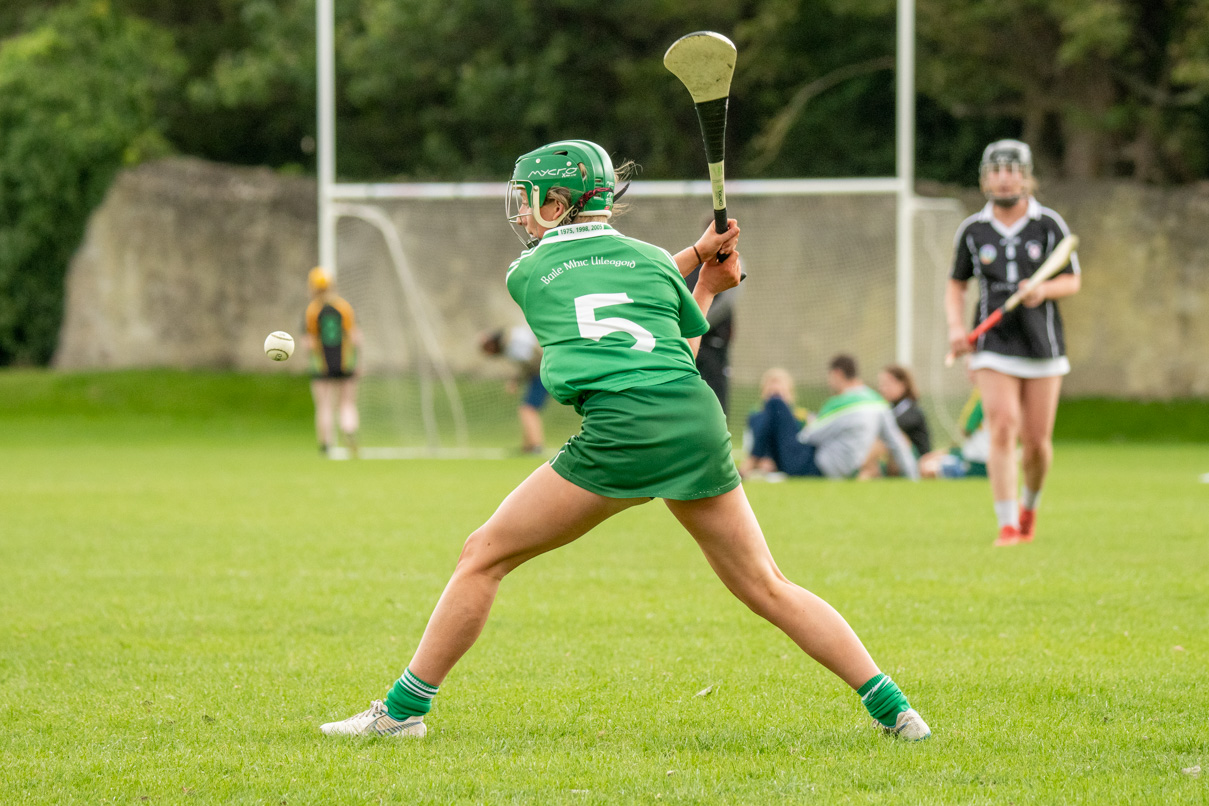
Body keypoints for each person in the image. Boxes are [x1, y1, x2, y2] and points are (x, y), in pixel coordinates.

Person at [319, 139, 929, 741]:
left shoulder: (528, 272)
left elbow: (595, 274)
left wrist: (697, 260)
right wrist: (708, 280)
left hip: (620, 434)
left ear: (557, 206)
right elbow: (675, 352)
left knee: (483, 556)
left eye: (529, 202)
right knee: (768, 584)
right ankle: (897, 711)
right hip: (694, 422)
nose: (521, 215)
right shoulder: (655, 263)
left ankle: (401, 713)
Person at [946, 139, 1081, 546]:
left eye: (1012, 171)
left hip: (1043, 344)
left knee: (1037, 444)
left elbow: (1072, 279)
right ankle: (1006, 524)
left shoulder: (1049, 224)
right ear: (986, 179)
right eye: (996, 172)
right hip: (993, 341)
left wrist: (1044, 291)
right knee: (1002, 426)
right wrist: (956, 328)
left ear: (1026, 177)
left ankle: (1029, 507)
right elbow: (956, 285)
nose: (1004, 180)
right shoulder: (973, 230)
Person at [741, 355, 919, 481]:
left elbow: (808, 436)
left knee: (775, 403)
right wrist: (913, 478)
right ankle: (762, 462)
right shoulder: (878, 403)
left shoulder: (841, 403)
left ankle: (751, 463)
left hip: (815, 468)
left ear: (837, 375)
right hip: (841, 471)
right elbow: (896, 443)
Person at [683, 215, 743, 415]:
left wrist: (698, 321)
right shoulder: (691, 264)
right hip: (689, 343)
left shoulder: (733, 262)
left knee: (716, 406)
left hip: (714, 346)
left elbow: (727, 302)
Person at [304, 267, 361, 457]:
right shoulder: (344, 307)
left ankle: (326, 445)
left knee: (324, 405)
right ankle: (349, 428)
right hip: (345, 363)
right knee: (346, 403)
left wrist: (313, 359)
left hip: (323, 366)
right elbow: (354, 337)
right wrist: (358, 362)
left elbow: (310, 342)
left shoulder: (312, 311)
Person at [480, 324, 548, 453]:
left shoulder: (513, 346)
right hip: (540, 373)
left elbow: (531, 362)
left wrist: (515, 381)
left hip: (541, 373)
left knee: (528, 409)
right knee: (527, 408)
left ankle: (536, 445)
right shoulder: (513, 337)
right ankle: (528, 445)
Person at [858, 365, 931, 479]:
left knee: (892, 437)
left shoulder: (913, 410)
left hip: (917, 463)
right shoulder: (888, 408)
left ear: (902, 385)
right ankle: (861, 476)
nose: (882, 388)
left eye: (887, 384)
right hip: (893, 461)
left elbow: (891, 430)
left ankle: (856, 467)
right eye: (881, 384)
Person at [919, 387, 989, 479]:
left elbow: (966, 428)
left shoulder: (981, 395)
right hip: (980, 459)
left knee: (926, 468)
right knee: (930, 457)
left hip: (975, 463)